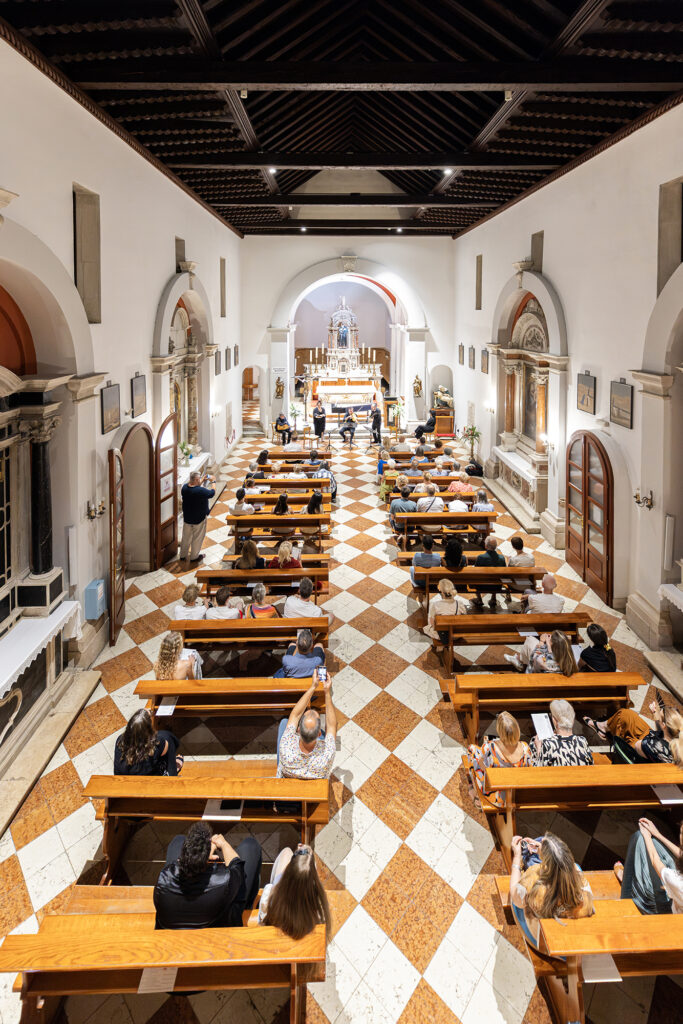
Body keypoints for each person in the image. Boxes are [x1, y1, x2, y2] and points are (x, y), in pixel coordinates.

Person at [154, 821, 262, 930]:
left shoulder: (163, 878)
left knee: (178, 840)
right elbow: (237, 867)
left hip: (173, 933)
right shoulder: (224, 881)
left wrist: (199, 857)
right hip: (221, 932)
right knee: (250, 845)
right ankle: (248, 905)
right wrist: (223, 844)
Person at [510, 832, 594, 953]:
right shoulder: (579, 876)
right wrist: (542, 849)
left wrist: (517, 857)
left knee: (517, 898)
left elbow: (516, 898)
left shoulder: (532, 877)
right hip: (571, 936)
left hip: (543, 940)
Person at [259, 843, 332, 939]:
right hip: (305, 944)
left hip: (276, 939)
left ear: (288, 872)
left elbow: (262, 922)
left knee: (286, 852)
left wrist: (299, 858)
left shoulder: (269, 896)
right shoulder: (319, 906)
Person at [277, 667, 337, 778]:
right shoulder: (327, 753)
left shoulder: (286, 746)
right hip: (315, 783)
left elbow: (295, 715)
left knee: (284, 722)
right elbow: (332, 726)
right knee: (328, 734)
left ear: (298, 730)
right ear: (319, 734)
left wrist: (313, 686)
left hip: (289, 779)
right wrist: (327, 693)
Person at [583, 699, 682, 764]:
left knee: (624, 728)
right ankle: (604, 727)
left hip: (641, 754)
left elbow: (638, 745)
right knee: (626, 715)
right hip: (653, 740)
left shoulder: (653, 745)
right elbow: (663, 733)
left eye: (660, 717)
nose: (658, 716)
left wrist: (630, 732)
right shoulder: (677, 735)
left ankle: (604, 728)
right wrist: (655, 714)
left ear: (664, 725)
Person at [616, 819, 683, 915]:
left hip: (663, 909)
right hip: (673, 890)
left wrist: (646, 835)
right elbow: (681, 855)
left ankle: (626, 893)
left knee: (638, 837)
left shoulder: (677, 881)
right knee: (654, 842)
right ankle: (632, 877)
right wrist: (657, 834)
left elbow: (655, 860)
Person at [468, 712, 533, 808]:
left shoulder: (490, 746)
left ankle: (476, 792)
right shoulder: (525, 747)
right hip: (515, 794)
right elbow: (529, 769)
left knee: (472, 749)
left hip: (497, 796)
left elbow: (483, 767)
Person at [114, 708, 182, 776]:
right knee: (168, 737)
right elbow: (166, 749)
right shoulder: (157, 743)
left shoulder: (120, 740)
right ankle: (172, 772)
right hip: (149, 777)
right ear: (148, 729)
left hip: (124, 776)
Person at [531, 698, 593, 766]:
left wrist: (538, 749)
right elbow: (591, 764)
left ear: (554, 720)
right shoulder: (582, 741)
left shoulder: (548, 743)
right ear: (572, 720)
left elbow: (539, 769)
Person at [179, 469, 216, 563]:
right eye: (199, 479)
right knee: (197, 538)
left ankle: (182, 555)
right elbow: (212, 493)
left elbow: (194, 487)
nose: (200, 480)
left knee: (186, 537)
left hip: (187, 517)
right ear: (196, 480)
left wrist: (202, 480)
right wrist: (213, 482)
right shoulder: (200, 491)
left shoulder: (184, 488)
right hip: (198, 518)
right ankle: (194, 557)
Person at [506, 629, 578, 675]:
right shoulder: (569, 657)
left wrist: (541, 641)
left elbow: (534, 656)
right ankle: (519, 659)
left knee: (530, 641)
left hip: (538, 678)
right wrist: (549, 646)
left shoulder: (544, 662)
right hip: (554, 678)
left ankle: (519, 661)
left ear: (554, 647)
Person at [424, 578, 466, 642]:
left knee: (429, 628)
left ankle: (441, 644)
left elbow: (431, 623)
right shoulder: (459, 603)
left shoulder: (435, 605)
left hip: (441, 635)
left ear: (441, 592)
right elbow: (464, 616)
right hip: (455, 634)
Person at [472, 536, 506, 610]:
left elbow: (476, 571)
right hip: (497, 586)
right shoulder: (502, 558)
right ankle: (493, 598)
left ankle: (479, 599)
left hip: (481, 586)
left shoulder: (481, 557)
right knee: (496, 577)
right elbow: (503, 572)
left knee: (474, 577)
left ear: (486, 546)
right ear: (496, 546)